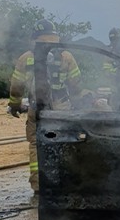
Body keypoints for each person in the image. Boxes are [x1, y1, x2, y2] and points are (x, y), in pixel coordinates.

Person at [8, 19, 81, 194]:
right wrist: (78, 104)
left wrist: (15, 105)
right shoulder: (66, 56)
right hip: (62, 110)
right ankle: (65, 181)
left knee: (36, 145)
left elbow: (16, 87)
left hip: (37, 110)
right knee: (65, 143)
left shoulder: (26, 58)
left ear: (35, 37)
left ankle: (39, 185)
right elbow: (76, 85)